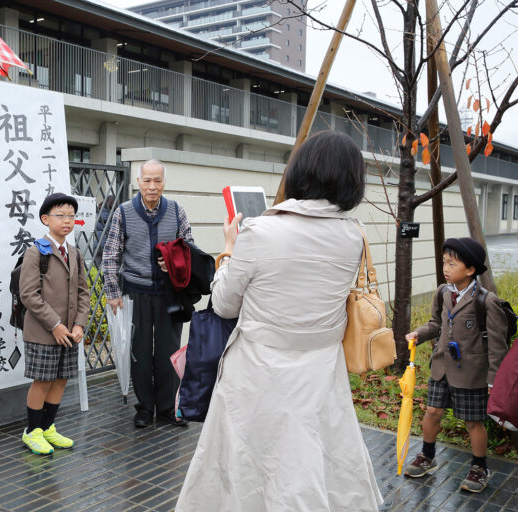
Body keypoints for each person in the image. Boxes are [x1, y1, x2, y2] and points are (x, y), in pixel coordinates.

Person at [176, 131, 383, 511]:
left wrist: (228, 250)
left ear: (301, 170)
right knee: (311, 463)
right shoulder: (354, 236)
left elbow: (223, 304)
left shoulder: (260, 231)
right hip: (320, 372)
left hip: (257, 373)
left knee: (247, 466)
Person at [404, 237, 508, 493]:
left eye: (452, 263)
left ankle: (479, 467)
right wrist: (419, 333)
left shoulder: (487, 302)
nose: (446, 268)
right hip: (441, 368)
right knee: (432, 412)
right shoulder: (442, 292)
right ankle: (427, 456)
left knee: (473, 422)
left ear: (470, 269)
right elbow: (435, 324)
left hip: (472, 373)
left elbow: (497, 347)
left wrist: (494, 381)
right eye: (444, 262)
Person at [103, 159, 193, 428]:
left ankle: (167, 407)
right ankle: (144, 407)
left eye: (157, 180)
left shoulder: (176, 211)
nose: (152, 186)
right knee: (139, 351)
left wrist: (174, 259)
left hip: (168, 293)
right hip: (135, 292)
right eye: (147, 180)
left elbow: (189, 248)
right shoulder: (123, 212)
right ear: (138, 182)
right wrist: (113, 292)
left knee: (169, 350)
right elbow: (110, 255)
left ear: (164, 182)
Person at [20, 193, 91, 455]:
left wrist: (80, 325)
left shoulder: (74, 252)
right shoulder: (35, 251)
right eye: (61, 215)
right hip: (43, 332)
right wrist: (55, 325)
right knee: (42, 380)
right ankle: (32, 431)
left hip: (70, 333)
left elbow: (83, 292)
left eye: (72, 216)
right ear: (45, 219)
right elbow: (28, 294)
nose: (67, 220)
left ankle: (48, 428)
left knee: (61, 379)